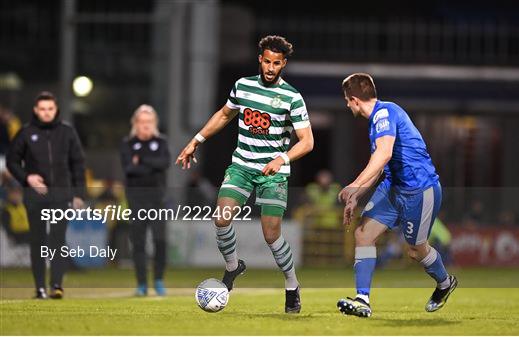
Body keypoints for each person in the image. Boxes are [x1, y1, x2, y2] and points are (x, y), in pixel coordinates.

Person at [177, 35, 314, 313]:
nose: (271, 68)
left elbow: (308, 141)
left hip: (273, 174)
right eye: (267, 62)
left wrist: (282, 158)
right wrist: (195, 141)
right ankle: (233, 266)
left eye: (276, 63)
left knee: (271, 235)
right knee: (221, 217)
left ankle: (291, 285)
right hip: (241, 166)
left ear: (283, 64)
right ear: (259, 60)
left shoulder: (292, 97)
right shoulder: (243, 85)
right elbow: (225, 115)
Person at [336, 73, 457, 317]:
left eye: (347, 100)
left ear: (354, 100)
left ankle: (445, 283)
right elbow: (380, 164)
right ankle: (363, 300)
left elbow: (383, 154)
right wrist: (357, 195)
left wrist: (354, 184)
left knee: (415, 250)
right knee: (363, 234)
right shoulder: (378, 120)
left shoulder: (384, 113)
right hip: (393, 188)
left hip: (420, 189)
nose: (347, 105)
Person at [7, 91, 86, 299]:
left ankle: (56, 285)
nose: (47, 113)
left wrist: (79, 194)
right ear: (36, 110)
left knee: (58, 239)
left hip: (62, 195)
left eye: (50, 109)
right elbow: (12, 162)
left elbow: (78, 163)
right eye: (42, 109)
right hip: (36, 196)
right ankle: (40, 288)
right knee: (38, 240)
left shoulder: (67, 132)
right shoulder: (25, 133)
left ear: (56, 109)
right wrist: (27, 178)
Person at [120, 104, 170, 296]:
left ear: (154, 123)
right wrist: (150, 164)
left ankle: (158, 280)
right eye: (142, 122)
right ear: (136, 124)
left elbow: (164, 163)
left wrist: (140, 160)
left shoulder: (161, 142)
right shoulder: (127, 144)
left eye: (149, 122)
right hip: (136, 199)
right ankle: (141, 284)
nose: (145, 125)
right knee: (138, 242)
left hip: (157, 199)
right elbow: (129, 170)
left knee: (160, 241)